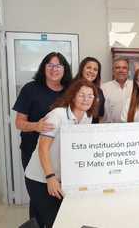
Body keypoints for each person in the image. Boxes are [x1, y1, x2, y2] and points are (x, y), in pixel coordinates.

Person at [24, 79, 99, 228]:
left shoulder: (87, 117)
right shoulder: (57, 115)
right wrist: (50, 177)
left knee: (65, 218)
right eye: (82, 95)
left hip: (63, 180)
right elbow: (43, 148)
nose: (86, 99)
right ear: (73, 96)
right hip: (41, 178)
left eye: (90, 96)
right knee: (53, 221)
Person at [13, 52, 72, 170]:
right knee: (37, 187)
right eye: (50, 65)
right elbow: (19, 123)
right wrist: (36, 126)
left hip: (63, 150)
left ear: (64, 69)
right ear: (43, 68)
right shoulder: (30, 89)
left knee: (60, 188)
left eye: (58, 66)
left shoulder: (71, 90)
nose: (54, 69)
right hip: (33, 148)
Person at [74, 56, 105, 123]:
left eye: (95, 69)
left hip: (93, 130)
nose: (91, 71)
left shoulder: (99, 91)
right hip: (72, 128)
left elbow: (100, 115)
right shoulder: (71, 87)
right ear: (82, 69)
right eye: (88, 68)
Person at [101, 58, 133, 123]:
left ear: (128, 71)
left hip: (132, 127)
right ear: (113, 71)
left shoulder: (136, 86)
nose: (121, 70)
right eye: (117, 67)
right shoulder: (103, 88)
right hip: (110, 128)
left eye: (124, 68)